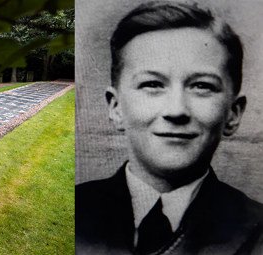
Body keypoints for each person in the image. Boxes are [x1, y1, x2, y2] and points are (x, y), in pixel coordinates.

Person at [75, 2, 263, 254]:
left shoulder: (256, 231)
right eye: (152, 84)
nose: (176, 111)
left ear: (233, 113)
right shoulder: (75, 210)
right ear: (116, 107)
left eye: (202, 86)